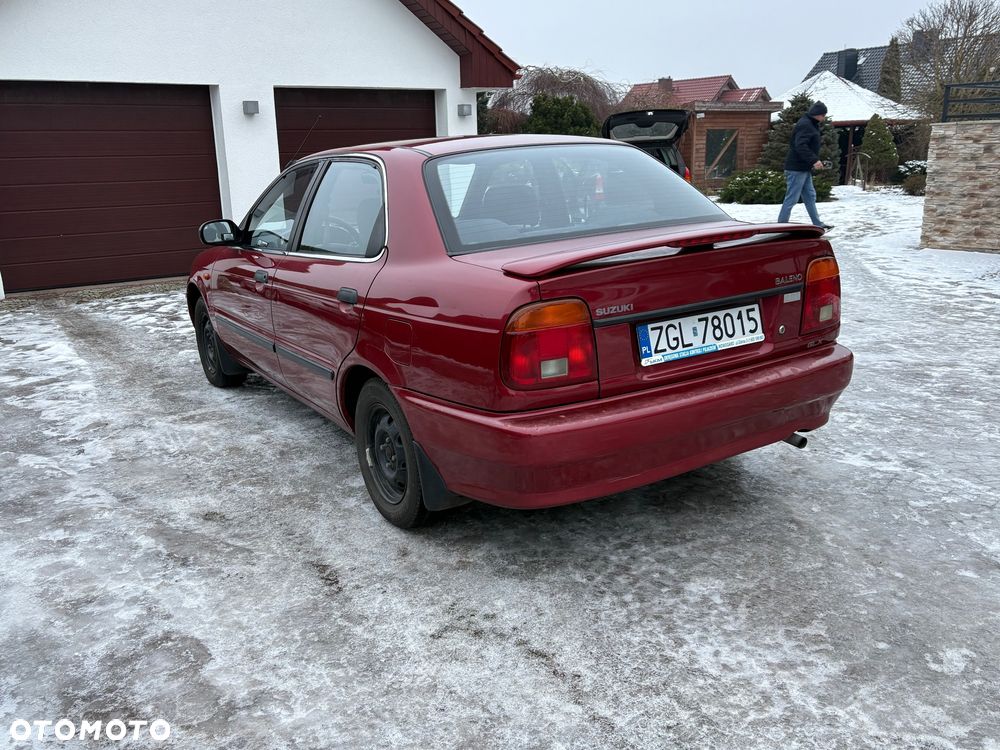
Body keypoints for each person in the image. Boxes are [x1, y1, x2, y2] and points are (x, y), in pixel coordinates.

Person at [778, 101, 833, 230]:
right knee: (792, 197)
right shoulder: (806, 125)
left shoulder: (810, 123)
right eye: (823, 115)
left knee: (810, 195)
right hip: (796, 168)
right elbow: (800, 145)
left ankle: (817, 223)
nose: (824, 118)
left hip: (803, 168)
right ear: (818, 114)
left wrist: (812, 161)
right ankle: (781, 225)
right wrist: (814, 160)